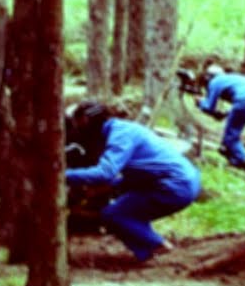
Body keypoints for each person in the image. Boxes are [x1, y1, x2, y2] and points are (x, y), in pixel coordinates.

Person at [64, 101, 201, 264]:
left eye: (78, 124)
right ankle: (148, 252)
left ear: (87, 120)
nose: (78, 129)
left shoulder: (120, 135)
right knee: (127, 209)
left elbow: (105, 172)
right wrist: (109, 188)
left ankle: (157, 245)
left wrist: (61, 175)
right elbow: (140, 171)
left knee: (114, 214)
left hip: (175, 185)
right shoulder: (122, 129)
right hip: (179, 181)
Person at [195, 64, 245, 172]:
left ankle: (244, 161)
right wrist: (224, 114)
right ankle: (233, 157)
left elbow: (209, 107)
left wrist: (200, 102)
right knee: (233, 132)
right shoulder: (229, 78)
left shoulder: (215, 82)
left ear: (208, 77)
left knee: (231, 135)